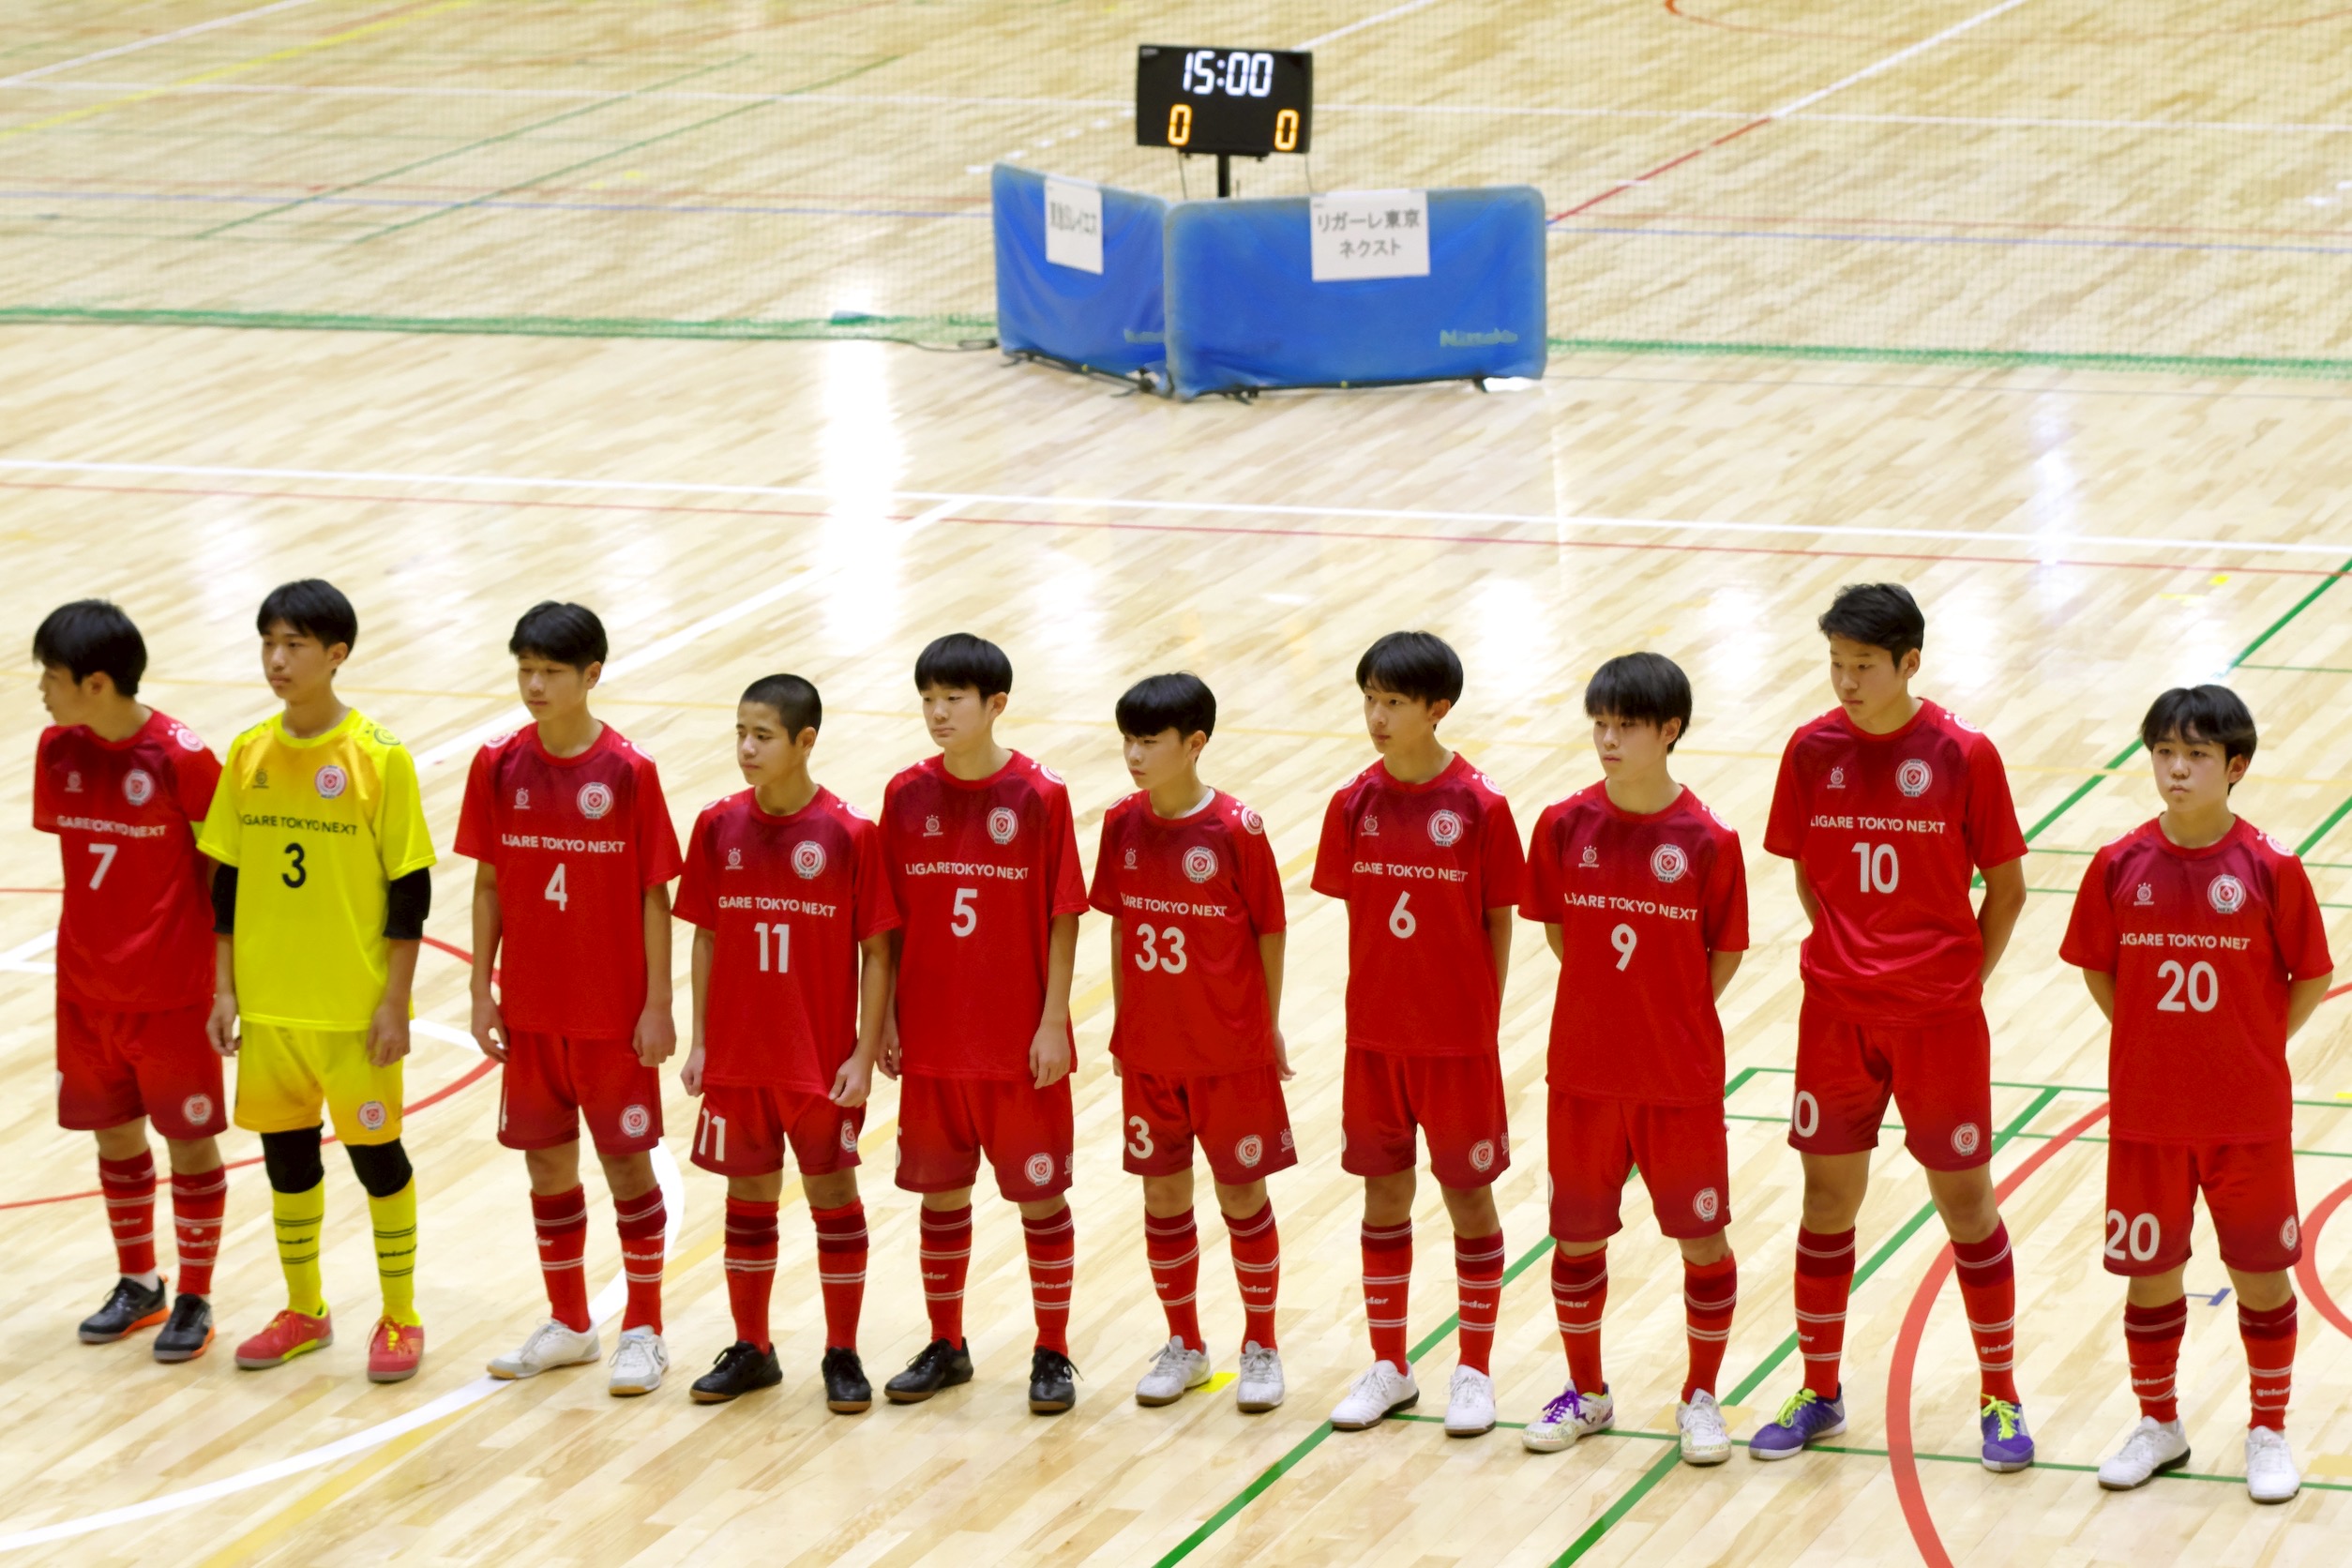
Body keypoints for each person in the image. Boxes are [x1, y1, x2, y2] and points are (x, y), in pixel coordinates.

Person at [1751, 582, 2033, 1470]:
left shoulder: (1964, 754)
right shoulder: (1810, 751)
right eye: (1836, 664)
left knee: (1967, 1204)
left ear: (1910, 663)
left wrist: (1958, 983)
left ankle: (2000, 1396)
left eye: (1864, 666)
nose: (1846, 682)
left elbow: (2008, 889)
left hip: (1938, 1022)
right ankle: (1820, 1391)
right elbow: (1808, 872)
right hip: (1836, 1015)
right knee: (1825, 1203)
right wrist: (1848, 948)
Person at [2061, 686, 2333, 1504]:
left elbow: (2312, 974)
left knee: (2261, 1276)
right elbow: (2098, 968)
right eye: (2164, 753)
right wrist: (2151, 1038)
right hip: (2149, 1114)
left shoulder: (2271, 867)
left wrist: (2253, 1043)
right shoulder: (2118, 864)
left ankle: (2268, 1430)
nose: (2176, 770)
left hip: (2247, 1116)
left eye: (2197, 755)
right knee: (2151, 1276)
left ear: (2235, 767)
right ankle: (2159, 1423)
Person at [199, 580, 438, 1383]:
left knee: (378, 1160)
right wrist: (226, 989)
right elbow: (227, 881)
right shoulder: (248, 753)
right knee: (287, 1162)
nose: (276, 660)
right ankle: (305, 1309)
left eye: (294, 645)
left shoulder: (378, 757)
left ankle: (401, 1315)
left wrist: (395, 1001)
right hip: (272, 1010)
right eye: (268, 643)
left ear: (336, 655)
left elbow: (410, 889)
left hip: (352, 1015)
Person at [1517, 653, 1747, 1464]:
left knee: (1702, 1241)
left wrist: (1668, 1010)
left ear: (1669, 731)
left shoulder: (1709, 840)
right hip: (1584, 1073)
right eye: (1600, 725)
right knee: (1576, 1239)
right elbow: (1559, 931)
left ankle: (1701, 1397)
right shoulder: (1562, 825)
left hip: (1678, 1079)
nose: (1608, 740)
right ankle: (1586, 1391)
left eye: (1626, 726)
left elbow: (1723, 951)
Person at [459, 602, 682, 1396]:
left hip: (609, 1013)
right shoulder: (497, 764)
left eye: (551, 672)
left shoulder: (627, 771)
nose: (534, 685)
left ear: (591, 676)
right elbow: (488, 883)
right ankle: (570, 1323)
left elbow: (656, 895)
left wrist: (657, 1005)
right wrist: (481, 989)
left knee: (626, 1167)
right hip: (530, 1008)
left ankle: (645, 1329)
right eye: (525, 669)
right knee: (546, 1163)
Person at [1313, 630, 1525, 1439]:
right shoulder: (1352, 803)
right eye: (1369, 699)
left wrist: (1481, 1019)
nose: (1375, 716)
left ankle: (1474, 1369)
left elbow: (1497, 920)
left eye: (1393, 702)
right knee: (1384, 1195)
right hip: (1374, 1037)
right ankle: (1390, 1364)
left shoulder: (1480, 806)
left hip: (1456, 1043)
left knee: (1469, 1198)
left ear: (1437, 709)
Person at [877, 633, 1090, 1415]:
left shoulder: (1039, 794)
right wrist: (887, 1015)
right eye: (927, 699)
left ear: (996, 704)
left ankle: (1052, 1351)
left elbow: (1064, 915)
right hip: (933, 1037)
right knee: (940, 1197)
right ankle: (947, 1343)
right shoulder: (905, 794)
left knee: (1041, 1200)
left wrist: (1053, 1021)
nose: (937, 713)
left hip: (1016, 1041)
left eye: (953, 699)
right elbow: (887, 920)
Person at [674, 674, 897, 1408]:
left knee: (832, 1193)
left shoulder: (849, 833)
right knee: (748, 1194)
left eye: (762, 736)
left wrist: (862, 1052)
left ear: (804, 742)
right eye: (740, 733)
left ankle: (842, 1352)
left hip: (818, 1060)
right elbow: (707, 938)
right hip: (740, 1057)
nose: (746, 748)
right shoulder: (717, 824)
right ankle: (753, 1348)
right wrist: (701, 1042)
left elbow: (878, 952)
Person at [32, 600, 229, 1362]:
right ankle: (140, 1282)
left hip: (171, 992)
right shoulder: (57, 750)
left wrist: (224, 979)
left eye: (50, 677)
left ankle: (196, 1296)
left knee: (189, 1141)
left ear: (96, 683)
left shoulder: (182, 758)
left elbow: (224, 874)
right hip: (86, 989)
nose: (41, 691)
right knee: (113, 1135)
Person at [1091, 672, 1292, 1413]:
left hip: (1229, 1053)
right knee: (1163, 1193)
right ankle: (1185, 1342)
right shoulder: (1121, 822)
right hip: (1152, 1052)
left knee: (1242, 1193)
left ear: (1194, 743)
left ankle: (1261, 1346)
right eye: (1128, 741)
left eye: (1150, 742)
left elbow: (1270, 930)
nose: (1134, 756)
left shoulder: (1237, 829)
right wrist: (1123, 1025)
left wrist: (1266, 1025)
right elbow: (1120, 926)